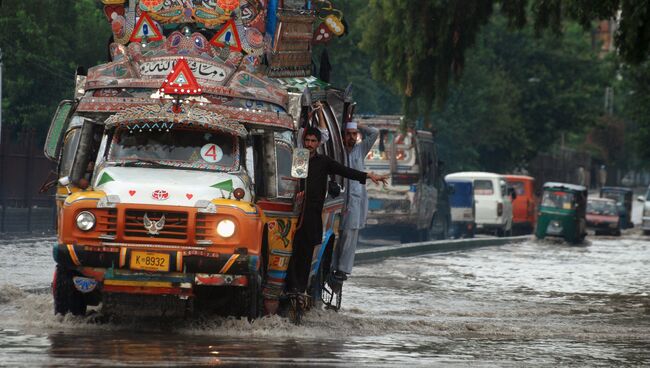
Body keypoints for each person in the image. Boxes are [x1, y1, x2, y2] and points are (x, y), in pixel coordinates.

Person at [285, 127, 385, 305]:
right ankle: (292, 288)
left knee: (307, 254)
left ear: (318, 143)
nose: (309, 144)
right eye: (307, 141)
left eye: (313, 141)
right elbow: (297, 183)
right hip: (299, 213)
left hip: (314, 214)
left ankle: (299, 290)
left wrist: (368, 175)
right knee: (295, 252)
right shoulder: (300, 158)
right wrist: (297, 195)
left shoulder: (324, 162)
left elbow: (345, 171)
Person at [332, 121, 381, 282]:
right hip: (338, 198)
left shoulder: (360, 149)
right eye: (349, 134)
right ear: (343, 135)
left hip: (355, 200)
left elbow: (374, 132)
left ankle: (342, 270)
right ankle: (332, 266)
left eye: (355, 134)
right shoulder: (337, 151)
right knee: (334, 235)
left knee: (350, 234)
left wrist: (357, 124)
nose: (352, 137)